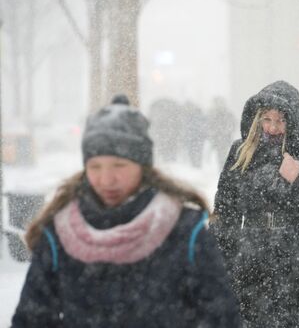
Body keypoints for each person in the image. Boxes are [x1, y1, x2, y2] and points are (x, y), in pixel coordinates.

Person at [11, 94, 241, 327]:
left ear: (143, 166)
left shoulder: (183, 230)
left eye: (119, 165)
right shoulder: (60, 232)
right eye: (95, 167)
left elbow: (220, 316)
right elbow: (32, 319)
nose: (106, 179)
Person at [211, 81, 299, 327]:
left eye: (281, 120)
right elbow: (224, 213)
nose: (273, 128)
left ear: (293, 121)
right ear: (256, 119)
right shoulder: (241, 153)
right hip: (252, 266)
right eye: (267, 119)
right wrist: (217, 264)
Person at [207, 97, 237, 169]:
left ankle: (223, 168)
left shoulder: (225, 114)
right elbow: (210, 125)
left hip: (223, 137)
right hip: (220, 137)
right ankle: (223, 168)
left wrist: (227, 130)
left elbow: (233, 124)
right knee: (221, 154)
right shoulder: (215, 114)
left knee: (223, 154)